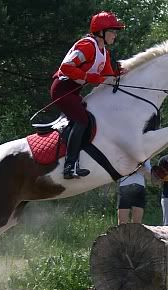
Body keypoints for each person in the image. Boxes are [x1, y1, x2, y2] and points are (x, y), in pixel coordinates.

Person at [51, 11, 125, 179]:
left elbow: (106, 78)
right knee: (82, 120)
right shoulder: (87, 45)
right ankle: (69, 166)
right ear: (101, 32)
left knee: (90, 119)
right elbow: (66, 67)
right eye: (113, 31)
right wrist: (89, 77)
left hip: (73, 92)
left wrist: (119, 74)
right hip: (62, 89)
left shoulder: (104, 52)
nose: (115, 35)